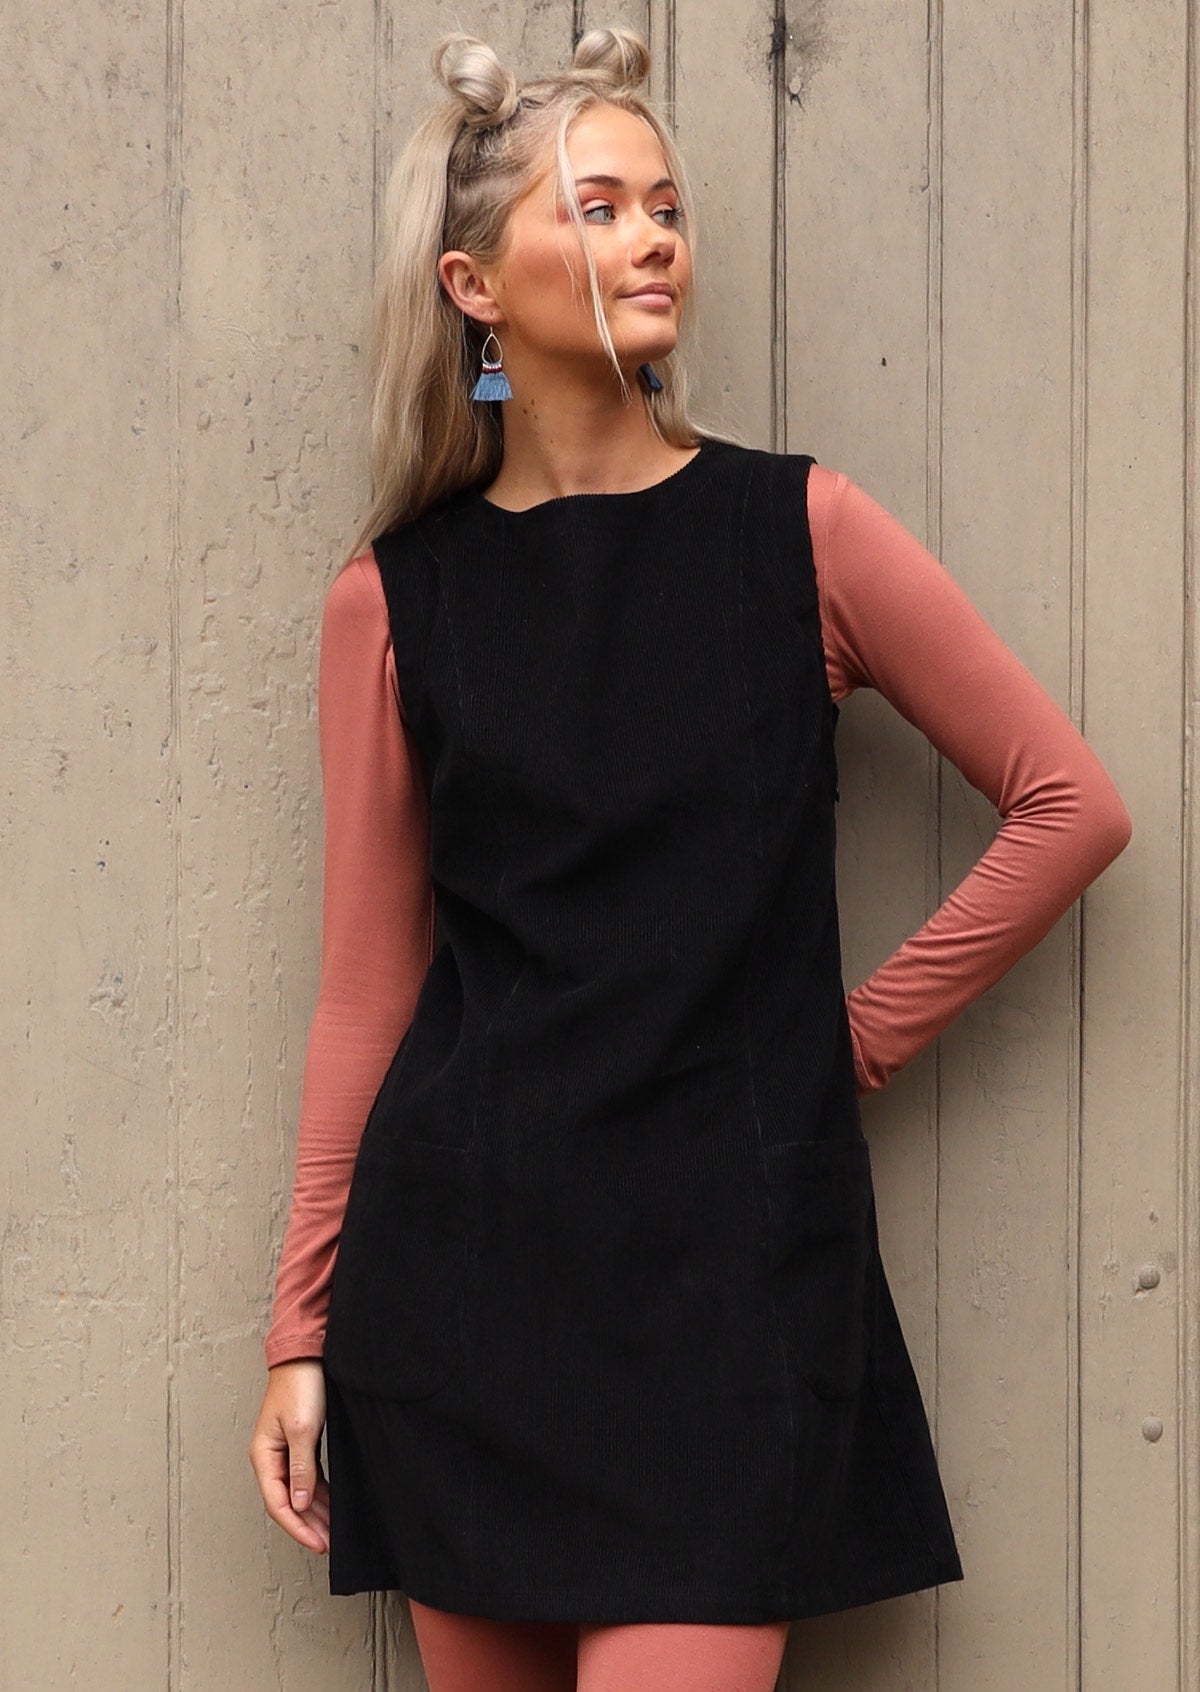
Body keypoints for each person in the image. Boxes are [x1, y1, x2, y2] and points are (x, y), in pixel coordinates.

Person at [248, 25, 1133, 1692]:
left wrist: (849, 1039)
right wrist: (301, 1328)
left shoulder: (799, 535)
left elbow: (1068, 806)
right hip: (464, 1294)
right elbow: (368, 991)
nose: (656, 235)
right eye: (598, 207)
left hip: (732, 1299)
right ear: (475, 286)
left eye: (668, 205)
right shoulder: (395, 605)